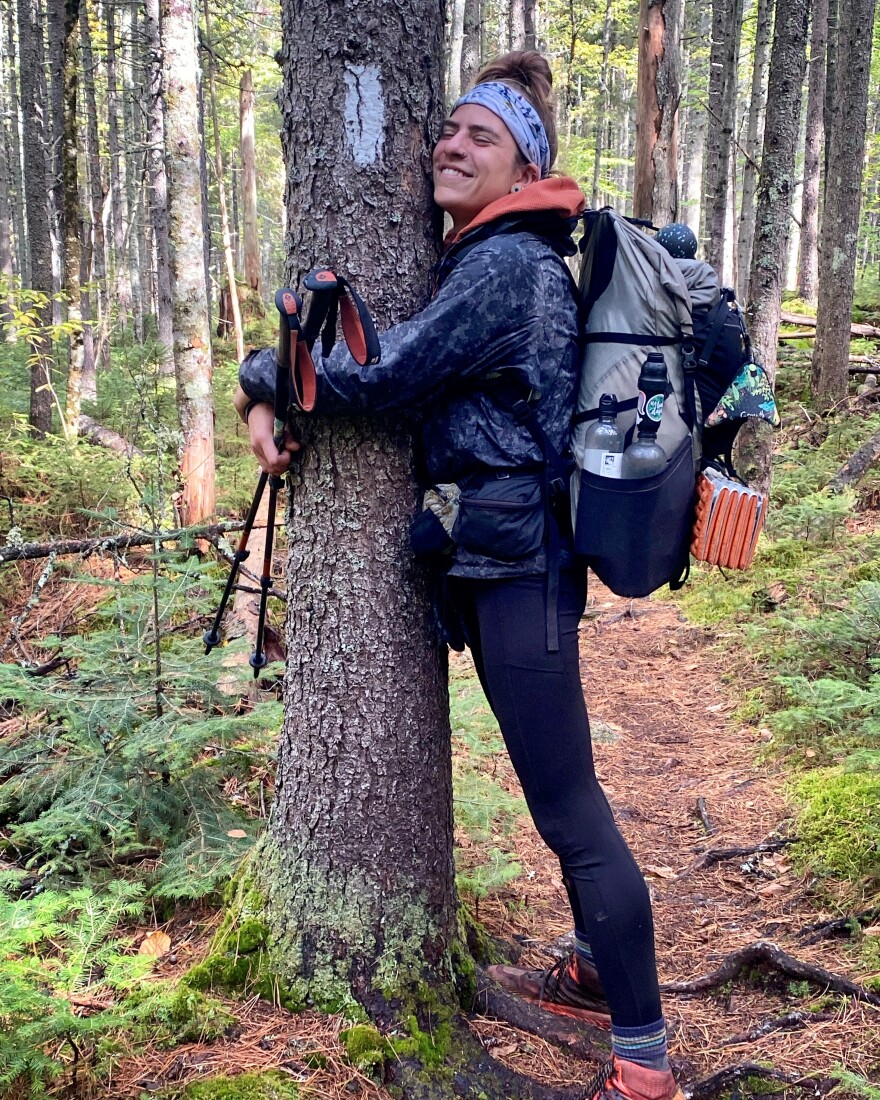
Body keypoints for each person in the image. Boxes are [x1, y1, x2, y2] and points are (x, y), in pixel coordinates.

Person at [235, 51, 684, 1100]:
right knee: (565, 796)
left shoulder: (504, 267)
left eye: (477, 136)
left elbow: (381, 377)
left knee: (569, 804)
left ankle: (646, 1061)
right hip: (498, 557)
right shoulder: (499, 257)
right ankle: (587, 965)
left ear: (522, 159)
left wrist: (265, 380)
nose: (448, 144)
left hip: (517, 568)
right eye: (446, 130)